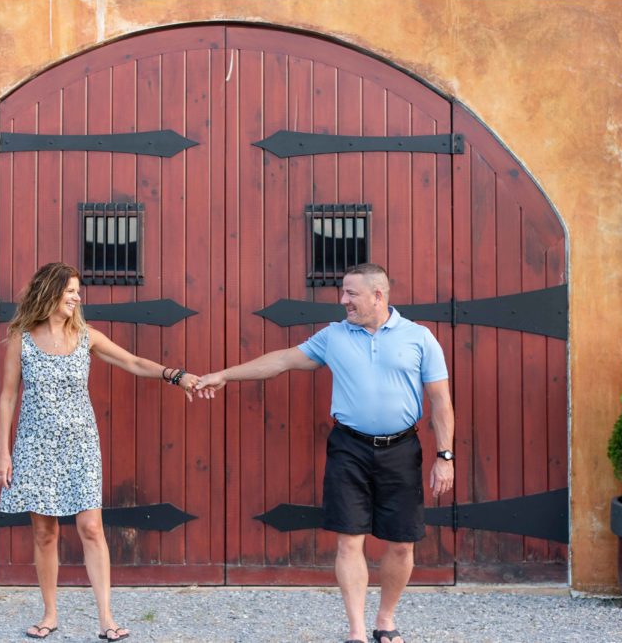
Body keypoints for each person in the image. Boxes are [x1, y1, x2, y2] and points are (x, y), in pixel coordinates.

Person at [195, 263, 455, 643]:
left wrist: (444, 456)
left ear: (378, 295)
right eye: (343, 292)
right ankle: (356, 631)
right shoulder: (334, 336)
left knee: (401, 544)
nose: (343, 300)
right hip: (348, 448)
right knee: (349, 539)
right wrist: (225, 375)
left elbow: (440, 400)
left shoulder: (420, 338)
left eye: (351, 293)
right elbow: (282, 360)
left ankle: (385, 621)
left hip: (401, 450)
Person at [0, 262, 204, 641]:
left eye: (78, 290)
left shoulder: (87, 336)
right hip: (34, 443)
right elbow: (8, 395)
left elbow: (133, 362)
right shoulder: (21, 339)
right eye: (70, 290)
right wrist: (2, 452)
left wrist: (175, 375)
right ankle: (50, 614)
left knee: (91, 527)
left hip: (81, 444)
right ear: (50, 292)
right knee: (44, 532)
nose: (77, 297)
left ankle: (106, 618)